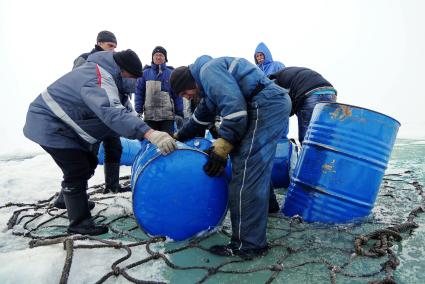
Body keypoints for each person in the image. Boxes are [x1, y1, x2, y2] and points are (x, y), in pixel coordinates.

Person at [23, 49, 177, 236]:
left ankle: (66, 200)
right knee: (76, 169)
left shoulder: (115, 84)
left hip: (67, 127)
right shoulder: (98, 77)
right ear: (123, 71)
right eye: (133, 77)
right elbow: (111, 112)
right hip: (49, 123)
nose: (135, 83)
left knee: (87, 163)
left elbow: (127, 114)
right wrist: (149, 133)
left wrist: (145, 136)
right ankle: (80, 223)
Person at [170, 55, 291, 258]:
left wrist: (224, 144)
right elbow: (201, 117)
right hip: (270, 104)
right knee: (253, 166)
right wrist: (178, 136)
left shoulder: (208, 72)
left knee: (244, 173)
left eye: (185, 92)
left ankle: (248, 245)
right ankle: (268, 207)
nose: (187, 97)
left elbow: (235, 110)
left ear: (189, 82)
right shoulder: (207, 80)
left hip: (265, 106)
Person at [71, 30, 124, 195]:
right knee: (88, 154)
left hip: (110, 116)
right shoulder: (84, 59)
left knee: (115, 147)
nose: (112, 50)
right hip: (91, 117)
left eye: (115, 47)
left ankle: (112, 186)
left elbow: (118, 89)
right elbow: (76, 84)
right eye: (110, 45)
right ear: (99, 43)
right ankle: (74, 192)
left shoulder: (115, 63)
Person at [270, 67, 337, 144]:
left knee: (307, 137)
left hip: (311, 93)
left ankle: (309, 155)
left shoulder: (272, 81)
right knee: (324, 134)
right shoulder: (289, 74)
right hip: (330, 93)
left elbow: (280, 104)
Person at [134, 46, 183, 135]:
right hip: (150, 116)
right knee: (152, 142)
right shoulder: (144, 74)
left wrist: (179, 113)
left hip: (167, 117)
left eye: (161, 55)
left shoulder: (171, 73)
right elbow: (139, 93)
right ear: (152, 57)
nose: (158, 57)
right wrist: (138, 110)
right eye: (156, 55)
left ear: (165, 58)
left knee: (168, 142)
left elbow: (177, 95)